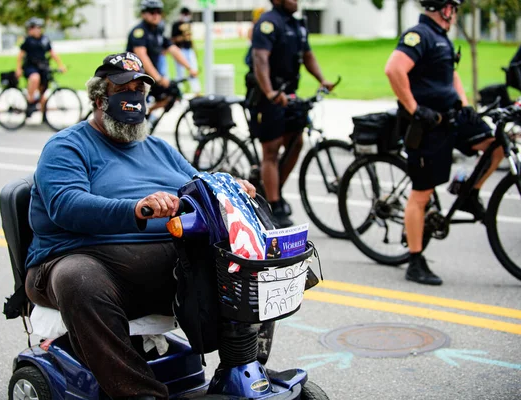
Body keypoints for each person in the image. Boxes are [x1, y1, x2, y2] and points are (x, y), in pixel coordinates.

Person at [23, 52, 255, 399]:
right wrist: (138, 209)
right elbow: (66, 206)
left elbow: (199, 184)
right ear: (100, 100)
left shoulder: (159, 147)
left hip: (165, 262)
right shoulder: (67, 146)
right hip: (79, 258)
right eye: (123, 90)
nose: (134, 99)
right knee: (78, 278)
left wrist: (228, 185)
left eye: (140, 91)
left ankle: (240, 371)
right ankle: (140, 393)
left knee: (247, 262)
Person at [384, 0, 504, 286]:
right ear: (445, 9)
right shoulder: (419, 35)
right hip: (428, 124)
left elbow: (451, 74)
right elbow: (393, 69)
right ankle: (415, 260)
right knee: (422, 194)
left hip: (452, 117)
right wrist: (414, 108)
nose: (456, 13)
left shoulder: (442, 39)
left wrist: (465, 105)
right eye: (454, 7)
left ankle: (469, 192)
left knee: (495, 144)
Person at [248, 0, 336, 228]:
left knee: (297, 141)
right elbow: (260, 59)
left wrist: (322, 79)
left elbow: (307, 55)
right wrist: (269, 92)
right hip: (267, 95)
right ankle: (273, 204)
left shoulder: (297, 24)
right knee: (272, 149)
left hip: (288, 94)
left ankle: (272, 191)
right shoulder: (268, 23)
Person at [127, 0, 198, 114]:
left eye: (158, 12)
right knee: (134, 107)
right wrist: (159, 79)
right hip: (136, 76)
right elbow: (142, 57)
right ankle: (140, 118)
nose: (155, 15)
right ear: (143, 14)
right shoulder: (139, 32)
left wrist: (189, 68)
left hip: (151, 76)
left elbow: (173, 49)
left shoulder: (158, 31)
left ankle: (148, 114)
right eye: (151, 12)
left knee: (172, 94)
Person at [15, 17, 66, 117]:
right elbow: (20, 55)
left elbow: (52, 53)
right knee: (35, 78)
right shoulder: (28, 41)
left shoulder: (45, 39)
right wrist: (18, 68)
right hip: (30, 67)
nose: (37, 30)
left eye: (38, 28)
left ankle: (43, 117)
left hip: (42, 67)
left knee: (43, 93)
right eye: (34, 28)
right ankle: (30, 100)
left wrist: (60, 65)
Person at [171, 7, 201, 95]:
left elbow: (190, 38)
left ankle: (196, 90)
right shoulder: (176, 25)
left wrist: (194, 49)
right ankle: (179, 92)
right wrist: (181, 37)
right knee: (180, 72)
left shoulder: (189, 23)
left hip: (189, 49)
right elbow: (172, 39)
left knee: (193, 70)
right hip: (180, 50)